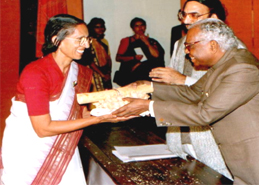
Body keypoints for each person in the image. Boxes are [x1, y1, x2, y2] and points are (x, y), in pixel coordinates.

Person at [113, 18, 259, 184]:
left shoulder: (242, 68)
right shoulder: (223, 65)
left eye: (190, 46)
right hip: (247, 157)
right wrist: (151, 88)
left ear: (212, 45)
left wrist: (149, 107)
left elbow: (205, 113)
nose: (187, 52)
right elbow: (194, 93)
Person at [0, 14, 129, 185]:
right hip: (29, 151)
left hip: (63, 147)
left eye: (88, 38)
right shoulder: (36, 73)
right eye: (80, 39)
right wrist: (99, 119)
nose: (87, 45)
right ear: (57, 40)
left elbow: (81, 116)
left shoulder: (81, 72)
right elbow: (43, 129)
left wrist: (114, 111)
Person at [150, 0, 235, 179]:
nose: (187, 20)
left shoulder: (231, 48)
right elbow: (173, 87)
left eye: (195, 15)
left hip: (212, 139)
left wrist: (182, 80)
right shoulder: (180, 44)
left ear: (214, 17)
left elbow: (222, 93)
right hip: (181, 135)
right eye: (184, 14)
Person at [114, 17, 165, 86]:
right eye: (137, 26)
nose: (140, 28)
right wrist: (133, 58)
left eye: (142, 25)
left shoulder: (152, 41)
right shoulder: (127, 40)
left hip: (149, 75)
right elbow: (118, 58)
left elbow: (156, 55)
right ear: (132, 28)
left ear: (145, 27)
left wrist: (147, 43)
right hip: (132, 76)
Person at [77, 17, 112, 90]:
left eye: (102, 27)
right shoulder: (88, 42)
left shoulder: (104, 41)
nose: (100, 29)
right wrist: (102, 74)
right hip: (93, 73)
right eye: (97, 27)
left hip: (105, 72)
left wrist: (108, 73)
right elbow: (89, 60)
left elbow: (108, 58)